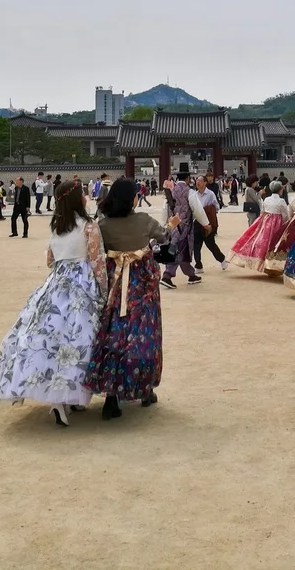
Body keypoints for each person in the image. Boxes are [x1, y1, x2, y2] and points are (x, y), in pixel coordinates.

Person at [0, 179, 109, 426]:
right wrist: (103, 290)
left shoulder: (57, 227)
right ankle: (72, 395)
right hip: (81, 282)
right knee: (80, 339)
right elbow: (97, 261)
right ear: (77, 199)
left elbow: (49, 260)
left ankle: (59, 401)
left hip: (56, 283)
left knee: (51, 338)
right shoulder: (89, 226)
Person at [87, 178, 178, 420]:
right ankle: (144, 389)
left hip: (115, 285)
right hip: (142, 286)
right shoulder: (143, 221)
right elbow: (163, 237)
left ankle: (111, 396)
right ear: (133, 199)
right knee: (143, 335)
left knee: (114, 334)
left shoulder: (103, 225)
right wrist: (171, 225)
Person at [229, 180, 291, 276]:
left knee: (263, 242)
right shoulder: (281, 201)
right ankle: (271, 267)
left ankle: (262, 264)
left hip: (266, 222)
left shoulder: (267, 199)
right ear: (280, 190)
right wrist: (285, 223)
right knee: (274, 244)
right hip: (277, 223)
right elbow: (285, 215)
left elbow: (263, 210)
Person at [160, 178, 208, 288]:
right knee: (178, 250)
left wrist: (163, 225)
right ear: (187, 179)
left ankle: (191, 275)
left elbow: (165, 209)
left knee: (183, 251)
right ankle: (167, 275)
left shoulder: (170, 191)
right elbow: (197, 209)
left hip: (173, 224)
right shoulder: (189, 191)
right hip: (185, 227)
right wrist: (205, 223)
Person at [191, 175, 228, 272]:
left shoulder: (210, 194)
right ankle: (198, 266)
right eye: (197, 181)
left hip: (207, 222)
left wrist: (208, 211)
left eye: (200, 181)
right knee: (196, 245)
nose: (198, 182)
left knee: (210, 244)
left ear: (205, 182)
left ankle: (222, 259)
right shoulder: (194, 195)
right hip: (197, 222)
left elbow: (217, 207)